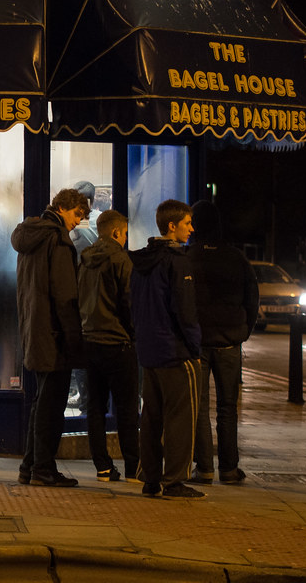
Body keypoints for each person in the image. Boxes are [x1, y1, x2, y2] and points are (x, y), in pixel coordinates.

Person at [12, 187, 89, 488]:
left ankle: (30, 465)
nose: (78, 222)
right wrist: (74, 339)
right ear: (63, 208)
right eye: (77, 214)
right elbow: (65, 296)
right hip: (55, 334)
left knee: (42, 401)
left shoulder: (30, 235)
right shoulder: (57, 240)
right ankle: (43, 468)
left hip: (35, 329)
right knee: (51, 405)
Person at [130, 199, 203, 499]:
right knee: (181, 418)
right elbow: (185, 311)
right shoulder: (177, 261)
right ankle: (174, 480)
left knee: (151, 416)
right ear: (172, 227)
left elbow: (133, 305)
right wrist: (194, 347)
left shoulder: (142, 261)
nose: (191, 229)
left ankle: (150, 478)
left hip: (149, 350)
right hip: (175, 351)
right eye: (187, 224)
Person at [187, 199, 259, 486]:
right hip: (230, 344)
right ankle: (229, 468)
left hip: (199, 343)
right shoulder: (236, 257)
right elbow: (252, 299)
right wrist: (243, 332)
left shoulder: (189, 256)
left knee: (200, 407)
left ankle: (203, 468)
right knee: (228, 407)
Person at [77, 209, 139, 483]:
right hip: (117, 342)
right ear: (116, 232)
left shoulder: (86, 258)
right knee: (126, 408)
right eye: (124, 234)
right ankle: (133, 468)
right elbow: (128, 302)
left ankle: (103, 467)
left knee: (95, 407)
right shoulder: (121, 259)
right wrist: (133, 333)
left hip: (91, 341)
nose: (125, 239)